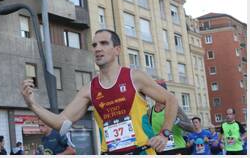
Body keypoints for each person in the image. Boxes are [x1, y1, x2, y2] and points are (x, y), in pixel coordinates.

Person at [21, 29, 178, 155]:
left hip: (141, 152)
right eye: (94, 45)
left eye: (103, 43)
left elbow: (171, 100)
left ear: (117, 50)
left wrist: (164, 134)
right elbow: (61, 124)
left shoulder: (134, 77)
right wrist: (32, 104)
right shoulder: (90, 89)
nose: (98, 48)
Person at [148, 80, 194, 155]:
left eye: (161, 90)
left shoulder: (174, 108)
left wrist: (177, 121)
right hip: (161, 151)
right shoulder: (150, 111)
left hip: (178, 149)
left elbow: (191, 128)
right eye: (155, 90)